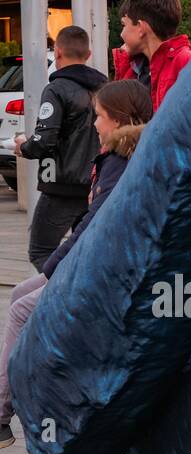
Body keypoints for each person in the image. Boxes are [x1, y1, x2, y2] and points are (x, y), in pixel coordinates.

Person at [0, 80, 153, 450]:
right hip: (100, 261)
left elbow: (93, 227)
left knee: (22, 309)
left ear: (116, 120)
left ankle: (1, 415)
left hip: (108, 271)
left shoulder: (119, 161)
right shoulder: (120, 156)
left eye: (99, 117)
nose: (94, 124)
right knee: (21, 293)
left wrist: (54, 270)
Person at [13, 26, 107, 272]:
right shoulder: (105, 88)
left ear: (57, 52)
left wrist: (24, 147)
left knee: (41, 251)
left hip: (61, 185)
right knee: (84, 251)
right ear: (88, 54)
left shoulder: (56, 89)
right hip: (98, 183)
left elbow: (45, 140)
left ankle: (64, 297)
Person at [113, 0, 191, 111]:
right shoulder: (132, 67)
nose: (121, 34)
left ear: (140, 28)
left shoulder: (186, 62)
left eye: (124, 25)